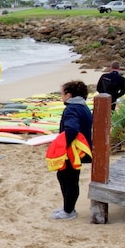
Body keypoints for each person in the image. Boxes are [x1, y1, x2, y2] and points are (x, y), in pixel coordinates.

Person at [49, 80, 93, 220]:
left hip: (72, 151)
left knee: (67, 178)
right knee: (68, 177)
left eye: (62, 93)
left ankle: (68, 211)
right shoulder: (83, 107)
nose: (61, 96)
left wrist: (62, 145)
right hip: (79, 150)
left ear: (69, 95)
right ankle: (68, 208)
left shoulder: (72, 109)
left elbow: (72, 129)